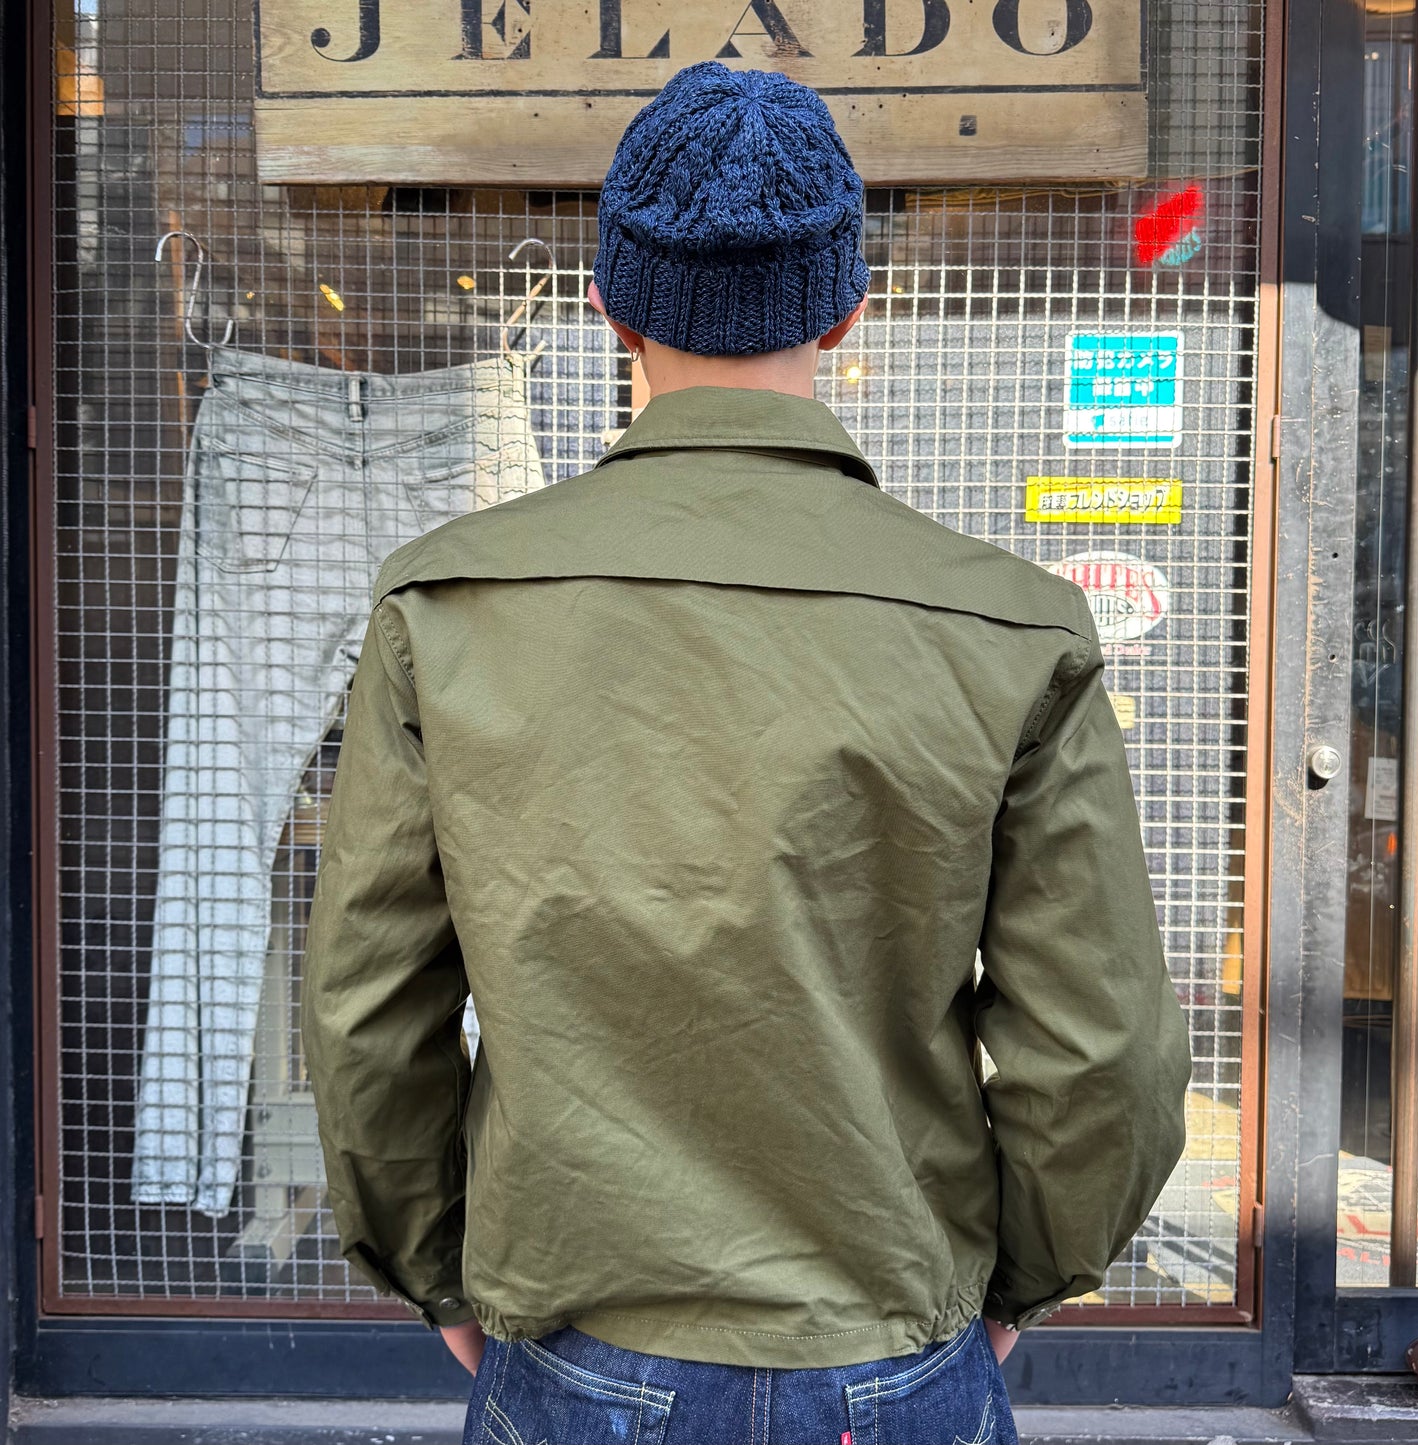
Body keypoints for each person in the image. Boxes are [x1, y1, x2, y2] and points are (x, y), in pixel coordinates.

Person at [300, 60, 1192, 1445]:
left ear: (609, 307)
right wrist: (1016, 1282)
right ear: (847, 308)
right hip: (893, 1344)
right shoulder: (1012, 628)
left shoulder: (448, 605)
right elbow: (1102, 1052)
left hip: (579, 1346)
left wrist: (436, 1276)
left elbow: (369, 1014)